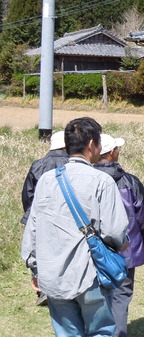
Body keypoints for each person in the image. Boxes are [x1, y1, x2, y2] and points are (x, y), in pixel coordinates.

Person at [21, 117, 129, 337]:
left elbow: (32, 228)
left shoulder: (46, 180)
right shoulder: (102, 181)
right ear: (91, 144)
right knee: (100, 332)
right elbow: (114, 232)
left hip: (52, 274)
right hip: (90, 275)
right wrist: (123, 244)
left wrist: (35, 268)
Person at [95, 134, 144, 337]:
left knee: (93, 298)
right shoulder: (130, 181)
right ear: (111, 153)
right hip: (125, 251)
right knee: (121, 297)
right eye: (117, 149)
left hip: (92, 251)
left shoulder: (85, 180)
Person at [20, 130, 69, 306]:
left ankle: (41, 288)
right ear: (66, 145)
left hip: (39, 216)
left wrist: (31, 214)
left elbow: (27, 194)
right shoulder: (70, 163)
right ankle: (62, 286)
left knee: (38, 252)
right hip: (64, 217)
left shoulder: (37, 164)